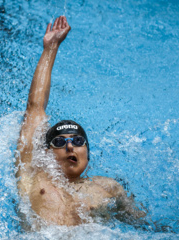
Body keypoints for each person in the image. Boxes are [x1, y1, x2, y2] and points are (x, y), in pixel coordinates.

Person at [16, 16, 146, 227]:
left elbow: (142, 224)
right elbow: (35, 108)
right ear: (47, 153)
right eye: (59, 142)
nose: (69, 146)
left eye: (78, 141)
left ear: (87, 153)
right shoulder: (32, 175)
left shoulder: (108, 188)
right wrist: (51, 48)